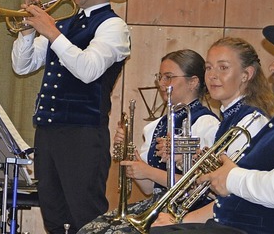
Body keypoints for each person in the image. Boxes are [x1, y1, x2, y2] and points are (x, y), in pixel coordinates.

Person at [11, 0, 130, 232]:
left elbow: (88, 70)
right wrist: (28, 30)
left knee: (85, 217)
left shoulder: (114, 26)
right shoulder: (63, 24)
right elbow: (22, 65)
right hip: (48, 134)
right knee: (53, 216)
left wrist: (51, 32)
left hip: (83, 136)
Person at [150, 33, 274, 234]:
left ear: (246, 75)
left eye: (223, 68)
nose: (212, 75)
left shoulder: (251, 121)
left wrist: (180, 218)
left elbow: (235, 192)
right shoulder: (230, 118)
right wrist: (186, 162)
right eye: (208, 68)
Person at [77, 49, 220, 234]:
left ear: (193, 82)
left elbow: (202, 186)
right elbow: (148, 188)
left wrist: (148, 171)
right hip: (158, 204)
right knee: (90, 230)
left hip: (190, 209)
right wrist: (132, 161)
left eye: (169, 77)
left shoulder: (206, 124)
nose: (161, 84)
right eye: (160, 77)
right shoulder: (155, 126)